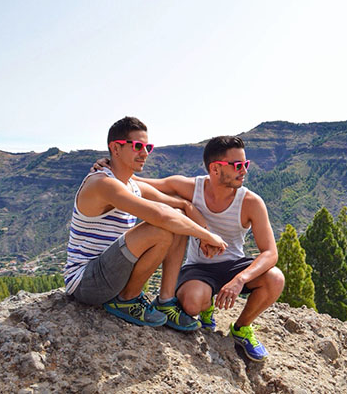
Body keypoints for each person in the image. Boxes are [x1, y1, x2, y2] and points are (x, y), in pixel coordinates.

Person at [64, 116, 227, 332]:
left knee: (176, 216)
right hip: (87, 282)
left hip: (112, 273)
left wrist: (203, 232)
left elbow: (182, 206)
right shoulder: (102, 184)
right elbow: (160, 216)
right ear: (116, 148)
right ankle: (127, 299)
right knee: (162, 227)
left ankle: (166, 301)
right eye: (138, 146)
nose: (145, 153)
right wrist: (207, 237)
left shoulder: (131, 184)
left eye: (148, 146)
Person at [134, 136, 284, 362]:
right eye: (237, 166)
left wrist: (240, 279)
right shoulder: (190, 188)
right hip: (198, 268)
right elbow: (139, 183)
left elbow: (270, 253)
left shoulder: (251, 202)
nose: (243, 171)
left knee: (275, 278)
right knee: (193, 303)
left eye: (246, 165)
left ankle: (242, 328)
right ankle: (206, 307)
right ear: (215, 168)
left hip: (234, 266)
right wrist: (108, 167)